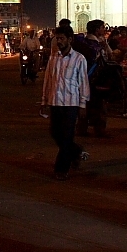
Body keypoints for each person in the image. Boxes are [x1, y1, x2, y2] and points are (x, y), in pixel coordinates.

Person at [41, 24, 90, 180]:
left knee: (67, 136)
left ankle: (61, 169)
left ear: (70, 39)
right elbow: (48, 80)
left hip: (71, 103)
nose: (59, 41)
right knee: (56, 133)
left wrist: (83, 104)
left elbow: (83, 82)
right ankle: (76, 151)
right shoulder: (53, 58)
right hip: (55, 102)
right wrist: (44, 100)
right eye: (57, 38)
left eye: (62, 38)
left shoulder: (79, 59)